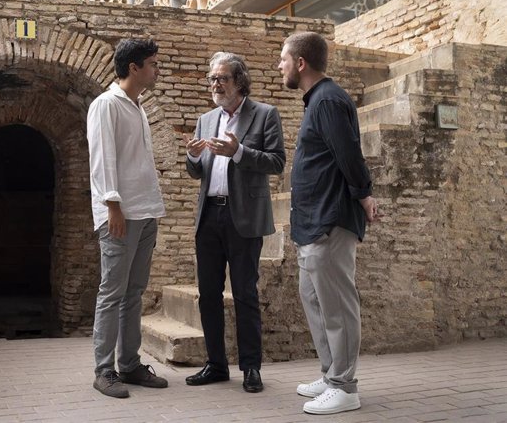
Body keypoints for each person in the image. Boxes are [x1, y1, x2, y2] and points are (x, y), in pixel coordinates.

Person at [278, 31, 380, 415]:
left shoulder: (329, 101)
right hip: (311, 222)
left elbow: (349, 155)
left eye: (283, 59)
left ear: (301, 63)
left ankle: (345, 386)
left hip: (330, 219)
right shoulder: (317, 101)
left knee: (337, 305)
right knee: (315, 300)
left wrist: (365, 194)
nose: (280, 66)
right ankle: (331, 373)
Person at [184, 52, 286, 393]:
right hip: (209, 214)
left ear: (239, 82)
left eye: (222, 78)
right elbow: (198, 171)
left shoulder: (265, 115)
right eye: (212, 78)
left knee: (244, 294)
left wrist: (239, 152)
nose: (215, 84)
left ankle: (251, 368)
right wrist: (194, 157)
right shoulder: (206, 119)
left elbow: (276, 162)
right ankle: (215, 364)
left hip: (243, 217)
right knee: (208, 294)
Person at [87, 38, 168, 398]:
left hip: (147, 209)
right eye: (152, 63)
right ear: (133, 68)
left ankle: (130, 364)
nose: (157, 69)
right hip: (120, 213)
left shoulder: (138, 106)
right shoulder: (106, 105)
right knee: (111, 293)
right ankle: (104, 371)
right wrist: (112, 206)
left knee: (133, 292)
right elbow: (102, 158)